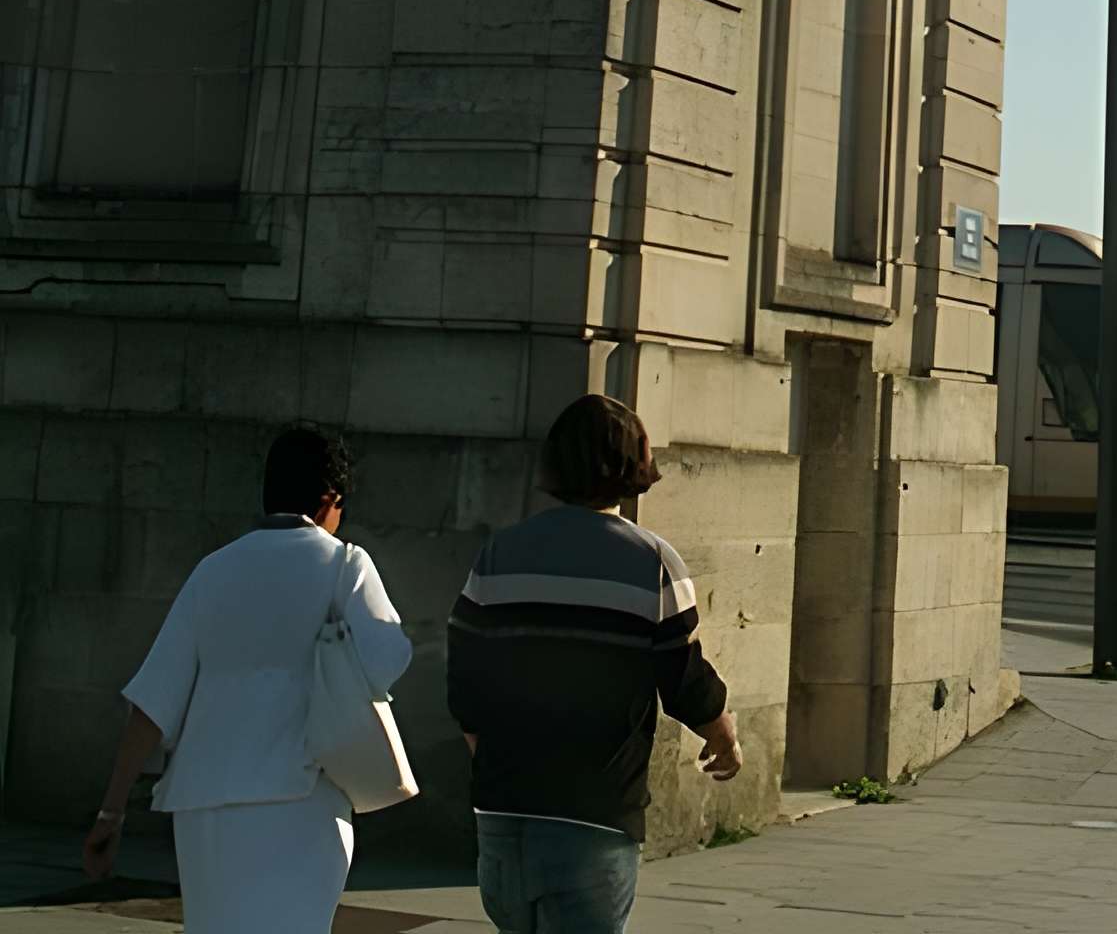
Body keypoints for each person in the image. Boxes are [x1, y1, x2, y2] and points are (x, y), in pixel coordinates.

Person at [83, 423, 412, 933]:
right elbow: (387, 659)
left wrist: (111, 812)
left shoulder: (212, 571)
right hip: (301, 798)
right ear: (330, 499)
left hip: (203, 804)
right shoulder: (345, 564)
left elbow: (152, 701)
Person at [449, 394, 742, 934]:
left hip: (503, 814)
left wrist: (492, 759)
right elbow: (682, 675)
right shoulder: (650, 561)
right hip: (593, 817)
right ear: (635, 468)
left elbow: (464, 677)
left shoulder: (500, 555)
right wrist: (721, 731)